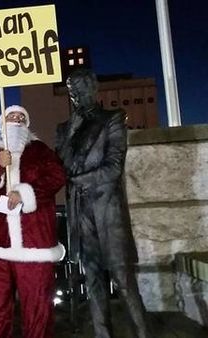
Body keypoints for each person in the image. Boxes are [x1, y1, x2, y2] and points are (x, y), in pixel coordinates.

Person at [56, 68, 149, 338]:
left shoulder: (113, 119)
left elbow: (113, 168)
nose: (78, 96)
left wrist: (80, 179)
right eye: (73, 91)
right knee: (93, 279)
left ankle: (143, 332)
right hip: (80, 214)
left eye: (82, 88)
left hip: (108, 212)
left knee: (123, 280)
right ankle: (102, 334)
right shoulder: (65, 129)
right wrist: (72, 132)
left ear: (94, 87)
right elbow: (61, 167)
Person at [0, 105, 66, 338]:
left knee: (38, 308)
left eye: (22, 117)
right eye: (12, 116)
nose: (17, 119)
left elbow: (57, 176)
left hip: (34, 245)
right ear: (2, 123)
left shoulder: (40, 151)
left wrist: (25, 193)